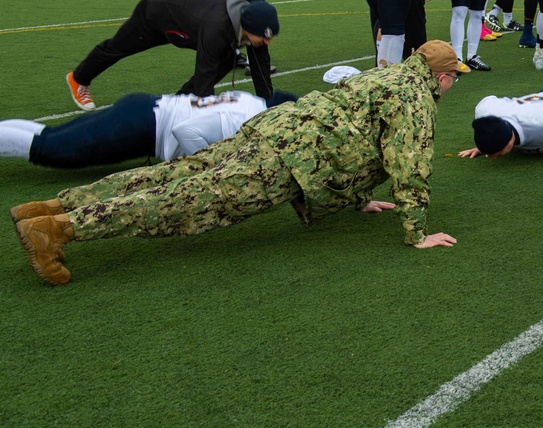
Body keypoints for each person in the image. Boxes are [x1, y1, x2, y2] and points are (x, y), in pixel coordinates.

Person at [12, 40, 470, 286]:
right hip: (289, 163)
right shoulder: (416, 99)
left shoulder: (385, 74)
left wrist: (357, 198)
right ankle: (60, 229)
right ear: (443, 76)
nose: (450, 86)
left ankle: (51, 207)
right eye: (453, 80)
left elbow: (355, 133)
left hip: (269, 130)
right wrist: (416, 232)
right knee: (187, 201)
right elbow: (407, 166)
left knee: (171, 174)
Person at [65, 0, 280, 111]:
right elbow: (205, 75)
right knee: (118, 47)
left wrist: (270, 108)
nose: (267, 42)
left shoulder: (257, 27)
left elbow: (261, 70)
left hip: (187, 22)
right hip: (157, 12)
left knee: (227, 60)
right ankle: (79, 78)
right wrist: (204, 114)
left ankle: (179, 100)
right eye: (264, 38)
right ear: (247, 27)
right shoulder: (217, 28)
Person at [0, 90, 296, 168]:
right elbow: (185, 131)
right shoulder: (246, 116)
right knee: (51, 150)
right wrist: (210, 164)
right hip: (144, 126)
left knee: (50, 136)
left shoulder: (251, 100)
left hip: (146, 112)